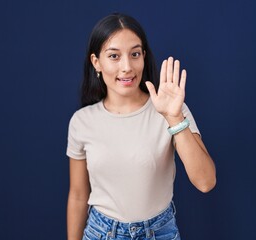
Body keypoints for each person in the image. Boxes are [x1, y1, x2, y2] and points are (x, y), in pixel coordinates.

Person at [66, 13, 216, 240]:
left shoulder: (171, 109)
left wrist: (174, 118)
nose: (127, 67)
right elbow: (78, 195)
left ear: (144, 57)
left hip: (160, 232)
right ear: (96, 62)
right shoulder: (81, 121)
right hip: (100, 233)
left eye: (135, 54)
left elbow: (206, 182)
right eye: (114, 56)